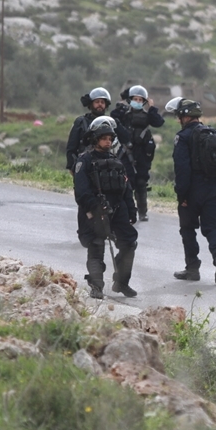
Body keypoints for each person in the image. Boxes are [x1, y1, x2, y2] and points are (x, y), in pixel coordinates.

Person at [165, 97, 216, 285]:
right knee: (212, 228)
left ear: (184, 117)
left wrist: (182, 195)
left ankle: (192, 268)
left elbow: (182, 168)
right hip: (215, 189)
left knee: (188, 228)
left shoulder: (183, 137)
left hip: (193, 191)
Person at [72, 117, 138, 299]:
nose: (108, 142)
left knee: (129, 243)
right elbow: (81, 191)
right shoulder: (85, 161)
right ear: (95, 139)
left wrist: (131, 209)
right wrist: (95, 208)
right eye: (104, 139)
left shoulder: (116, 161)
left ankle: (122, 282)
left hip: (117, 209)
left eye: (110, 139)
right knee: (96, 245)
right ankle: (96, 286)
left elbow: (126, 188)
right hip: (94, 210)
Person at [111, 85, 164, 221]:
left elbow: (158, 122)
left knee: (141, 183)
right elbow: (113, 118)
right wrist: (120, 107)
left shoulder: (147, 115)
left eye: (140, 100)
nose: (138, 102)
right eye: (135, 99)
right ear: (130, 100)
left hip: (142, 153)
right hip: (126, 152)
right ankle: (126, 210)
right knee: (126, 182)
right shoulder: (124, 114)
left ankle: (142, 212)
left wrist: (152, 108)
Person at [66, 87, 112, 172]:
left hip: (106, 165)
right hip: (85, 165)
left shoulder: (110, 122)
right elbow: (71, 147)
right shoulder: (81, 122)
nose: (100, 104)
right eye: (97, 102)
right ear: (91, 104)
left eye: (102, 102)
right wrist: (72, 167)